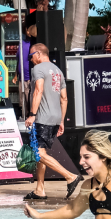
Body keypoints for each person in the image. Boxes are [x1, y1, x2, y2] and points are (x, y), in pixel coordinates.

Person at [24, 42, 82, 201]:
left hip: (42, 116)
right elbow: (64, 98)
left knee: (38, 152)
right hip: (55, 117)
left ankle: (70, 176)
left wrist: (32, 114)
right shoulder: (58, 71)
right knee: (42, 152)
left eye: (31, 56)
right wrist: (61, 120)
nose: (30, 60)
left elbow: (38, 90)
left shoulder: (38, 69)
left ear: (38, 54)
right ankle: (39, 190)